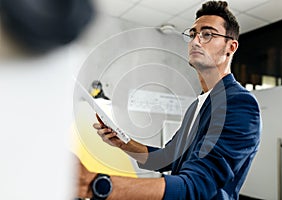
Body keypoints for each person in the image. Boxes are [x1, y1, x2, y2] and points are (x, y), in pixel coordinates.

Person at [74, 1, 261, 199]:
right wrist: (124, 143)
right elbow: (168, 157)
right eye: (192, 34)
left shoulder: (240, 104)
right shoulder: (197, 105)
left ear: (230, 47)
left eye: (207, 34)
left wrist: (94, 184)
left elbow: (198, 186)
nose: (195, 41)